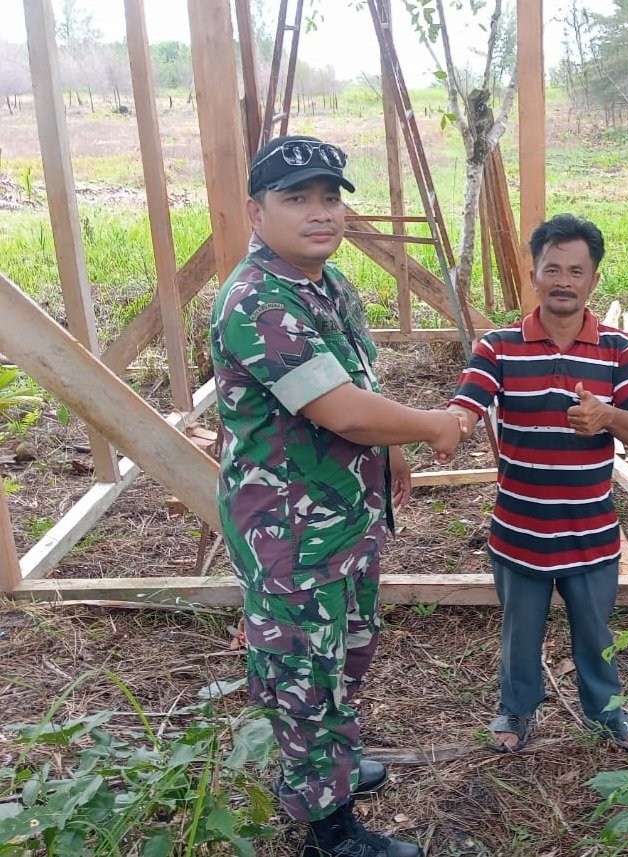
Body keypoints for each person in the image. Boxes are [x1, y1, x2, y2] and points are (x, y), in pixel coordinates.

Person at [211, 135, 464, 857]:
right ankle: (326, 826)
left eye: (330, 197)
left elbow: (359, 387)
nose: (321, 213)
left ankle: (337, 766)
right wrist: (432, 428)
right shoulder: (258, 300)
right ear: (257, 212)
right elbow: (343, 411)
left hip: (341, 517)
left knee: (346, 650)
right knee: (302, 673)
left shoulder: (326, 285)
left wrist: (388, 455)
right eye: (297, 199)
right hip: (289, 533)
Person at [447, 213, 628, 754]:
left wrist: (607, 416)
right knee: (521, 634)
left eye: (576, 271)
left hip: (590, 530)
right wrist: (449, 426)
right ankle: (515, 711)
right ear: (534, 274)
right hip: (520, 528)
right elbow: (467, 403)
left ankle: (605, 711)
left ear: (593, 280)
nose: (563, 280)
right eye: (552, 268)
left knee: (595, 632)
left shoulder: (618, 350)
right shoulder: (499, 346)